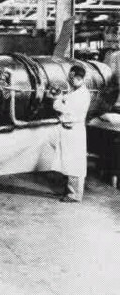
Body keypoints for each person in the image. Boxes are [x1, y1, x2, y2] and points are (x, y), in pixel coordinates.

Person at [53, 65, 91, 202]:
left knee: (75, 164)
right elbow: (68, 98)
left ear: (78, 77)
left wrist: (57, 98)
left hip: (74, 131)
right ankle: (70, 191)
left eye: (72, 77)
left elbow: (60, 107)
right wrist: (62, 95)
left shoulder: (81, 95)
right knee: (70, 163)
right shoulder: (77, 91)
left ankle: (74, 195)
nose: (70, 80)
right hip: (71, 131)